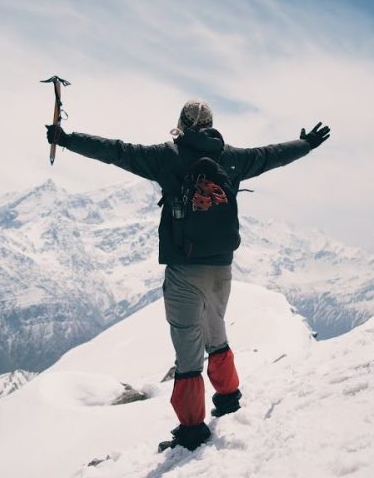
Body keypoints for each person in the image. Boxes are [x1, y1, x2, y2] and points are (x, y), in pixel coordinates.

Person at [45, 100, 331, 452]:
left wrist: (67, 139)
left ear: (180, 124)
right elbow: (271, 154)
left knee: (187, 348)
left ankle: (193, 429)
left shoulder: (167, 156)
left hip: (185, 270)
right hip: (222, 268)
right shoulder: (232, 157)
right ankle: (228, 400)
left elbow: (116, 152)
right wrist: (306, 144)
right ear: (212, 124)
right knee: (217, 331)